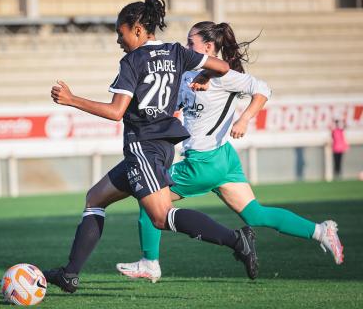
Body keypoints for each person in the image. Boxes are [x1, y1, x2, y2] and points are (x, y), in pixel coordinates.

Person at [43, 0, 259, 294]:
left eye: (121, 33)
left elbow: (116, 111)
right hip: (161, 146)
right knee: (95, 198)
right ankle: (69, 274)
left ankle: (237, 240)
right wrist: (206, 75)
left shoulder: (132, 61)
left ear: (138, 29)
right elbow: (222, 65)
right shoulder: (176, 52)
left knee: (160, 216)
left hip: (143, 146)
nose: (119, 39)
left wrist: (72, 99)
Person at [116, 21, 344, 283]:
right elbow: (172, 103)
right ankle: (320, 231)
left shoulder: (225, 76)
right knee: (255, 214)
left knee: (149, 198)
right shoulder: (190, 75)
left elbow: (262, 89)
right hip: (223, 159)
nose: (187, 47)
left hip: (204, 162)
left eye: (192, 43)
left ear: (209, 47)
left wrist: (244, 119)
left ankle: (150, 262)